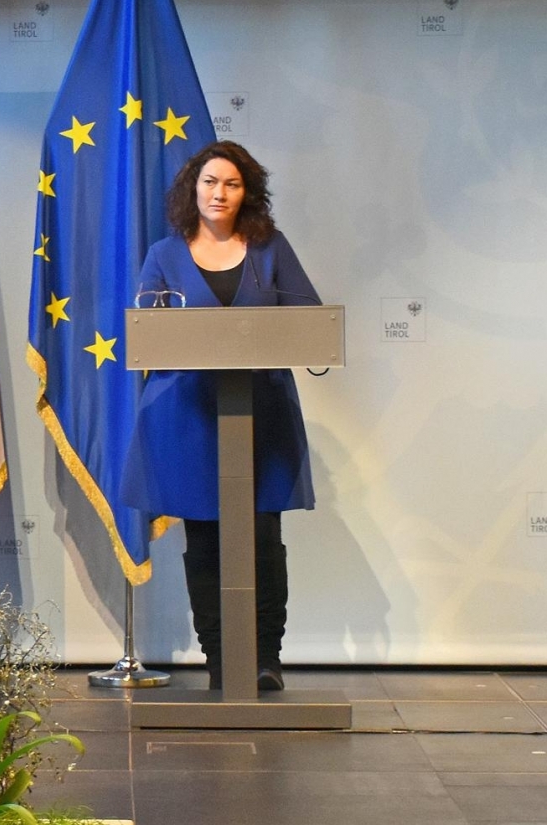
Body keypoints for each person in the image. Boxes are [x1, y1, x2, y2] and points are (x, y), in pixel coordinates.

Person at [119, 140, 321, 691]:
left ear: (246, 193)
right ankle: (220, 659)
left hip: (262, 418)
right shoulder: (164, 253)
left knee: (261, 536)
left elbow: (306, 314)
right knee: (205, 542)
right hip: (187, 418)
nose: (219, 192)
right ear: (193, 189)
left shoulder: (270, 248)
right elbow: (147, 330)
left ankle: (264, 659)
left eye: (231, 183)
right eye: (210, 182)